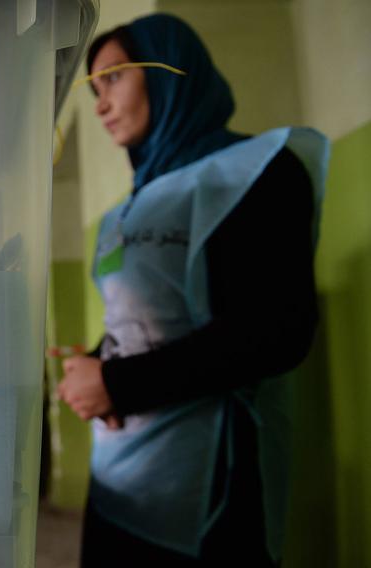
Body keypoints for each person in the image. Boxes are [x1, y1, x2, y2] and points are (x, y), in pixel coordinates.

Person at [56, 13, 329, 567]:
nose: (100, 103)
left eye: (114, 78)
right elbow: (149, 318)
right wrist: (96, 361)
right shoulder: (128, 207)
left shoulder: (257, 172)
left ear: (168, 72)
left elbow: (273, 332)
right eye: (94, 88)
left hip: (210, 473)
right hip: (123, 463)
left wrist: (115, 382)